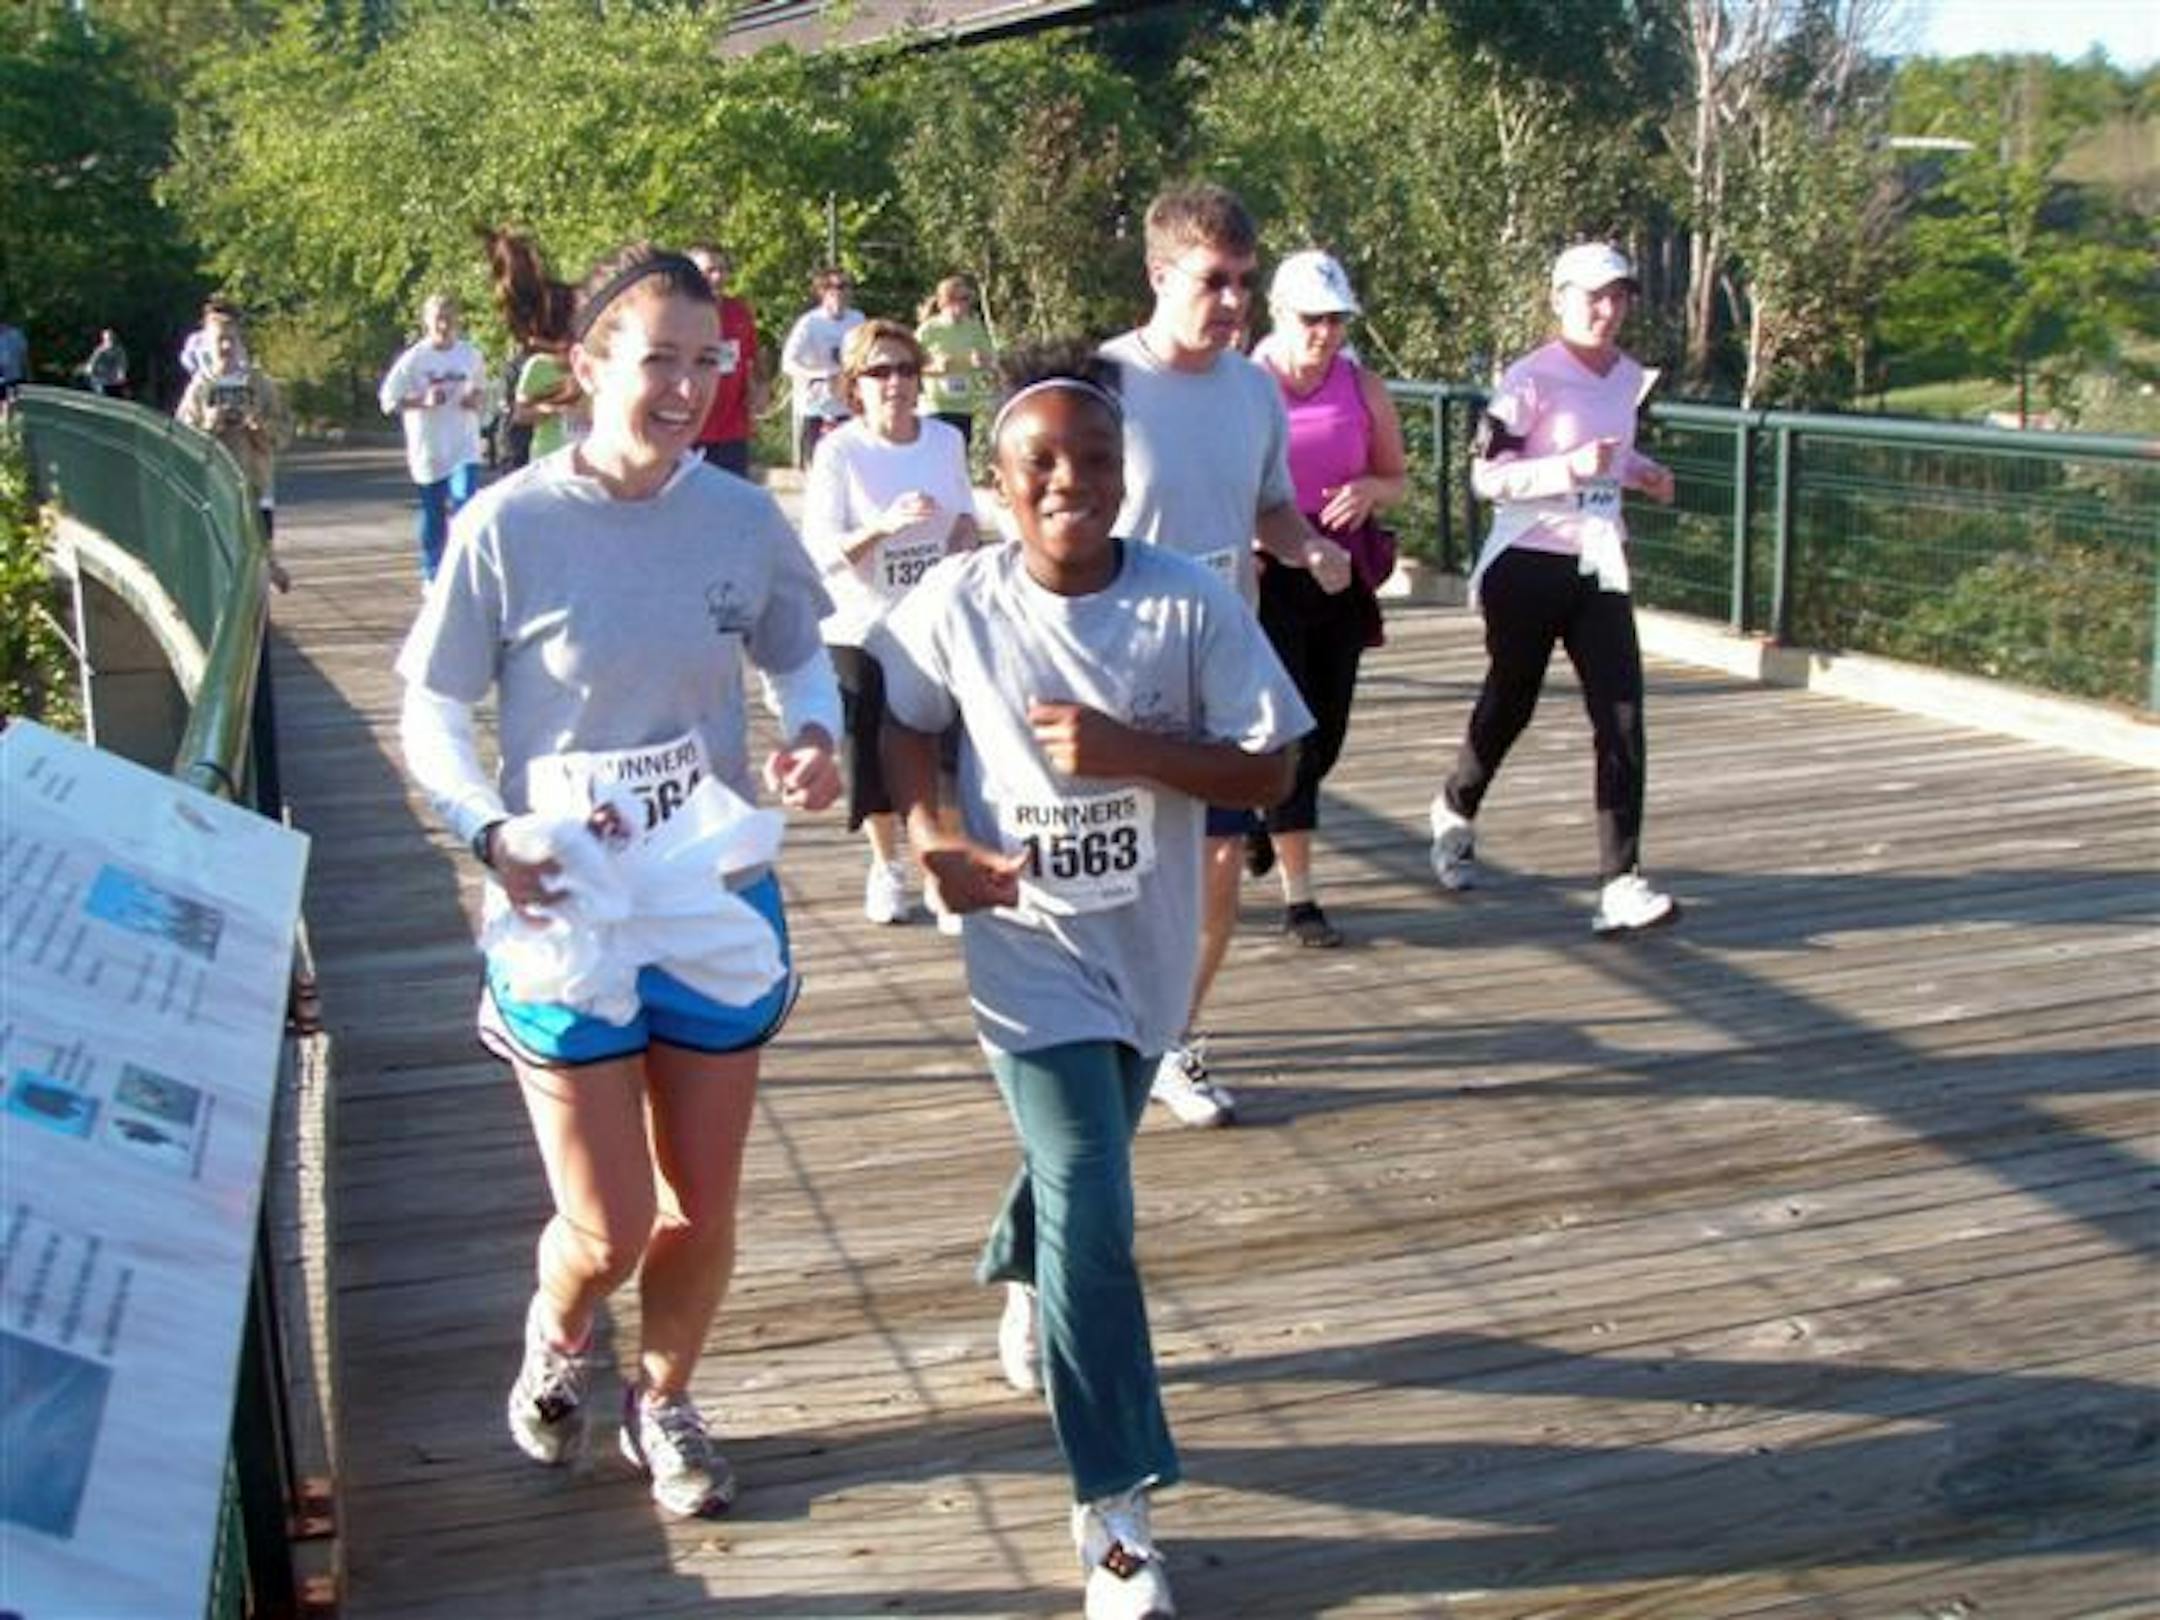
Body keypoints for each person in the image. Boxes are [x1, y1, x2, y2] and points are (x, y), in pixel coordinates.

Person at [394, 243, 844, 1523]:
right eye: (660, 360)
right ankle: (560, 1330)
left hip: (707, 892)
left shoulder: (744, 518)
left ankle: (667, 1400)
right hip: (563, 900)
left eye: (709, 363)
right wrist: (489, 831)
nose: (689, 388)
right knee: (608, 1223)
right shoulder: (509, 524)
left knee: (701, 1202)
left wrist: (815, 741)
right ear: (585, 365)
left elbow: (802, 666)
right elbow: (431, 709)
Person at [873, 342, 1312, 1620]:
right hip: (1025, 950)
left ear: (1128, 475)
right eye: (1041, 466)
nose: (1072, 483)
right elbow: (901, 716)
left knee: (1084, 1169)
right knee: (1095, 1206)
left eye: (1097, 460)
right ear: (1000, 487)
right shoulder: (958, 602)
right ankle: (1115, 1515)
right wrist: (934, 839)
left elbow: (1271, 769)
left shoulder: (1187, 603)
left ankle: (1023, 1268)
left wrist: (1138, 751)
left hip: (1149, 949)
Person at [1101, 181, 1351, 1129]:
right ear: (1162, 275)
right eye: (1216, 281)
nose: (1236, 302)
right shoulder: (1104, 384)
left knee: (1212, 872)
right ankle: (1100, 1030)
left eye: (1245, 281)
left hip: (1218, 672)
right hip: (1114, 674)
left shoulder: (1253, 388)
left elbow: (1268, 504)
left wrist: (1308, 546)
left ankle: (1174, 1039)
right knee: (1118, 874)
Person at [1430, 241, 1680, 935]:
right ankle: (1456, 807)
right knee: (1513, 699)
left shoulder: (1629, 376)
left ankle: (1620, 882)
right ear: (1560, 299)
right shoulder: (1529, 378)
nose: (1607, 310)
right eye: (1593, 296)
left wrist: (1642, 473)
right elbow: (1487, 477)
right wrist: (1566, 467)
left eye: (1619, 296)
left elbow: (1613, 452)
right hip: (1528, 558)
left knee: (1622, 715)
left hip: (1599, 558)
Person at [1246, 251, 1407, 947]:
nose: (1325, 334)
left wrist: (1371, 491)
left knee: (1329, 729)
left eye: (1337, 320)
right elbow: (1225, 484)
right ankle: (1301, 900)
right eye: (1312, 320)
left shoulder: (1362, 385)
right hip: (1268, 569)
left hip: (1343, 569)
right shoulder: (1246, 387)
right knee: (1294, 735)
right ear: (1279, 316)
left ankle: (1261, 815)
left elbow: (1394, 475)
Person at [800, 319, 977, 925]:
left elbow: (965, 518)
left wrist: (961, 543)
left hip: (933, 618)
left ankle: (941, 870)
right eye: (879, 372)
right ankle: (886, 865)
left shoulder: (945, 442)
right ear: (855, 385)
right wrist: (884, 526)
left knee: (944, 748)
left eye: (906, 369)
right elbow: (820, 554)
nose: (895, 383)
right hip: (860, 625)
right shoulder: (839, 452)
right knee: (872, 751)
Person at [175, 310, 293, 591]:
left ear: (241, 342)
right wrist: (208, 424)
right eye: (220, 340)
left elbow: (284, 432)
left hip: (255, 485)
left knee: (256, 567)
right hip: (214, 489)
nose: (226, 347)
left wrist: (258, 424)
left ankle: (269, 573)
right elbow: (181, 440)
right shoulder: (200, 387)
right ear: (207, 344)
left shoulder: (259, 384)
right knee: (223, 566)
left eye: (232, 340)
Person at [377, 293, 487, 582]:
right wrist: (422, 401)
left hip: (464, 445)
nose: (444, 324)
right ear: (426, 321)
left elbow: (482, 389)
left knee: (466, 503)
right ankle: (432, 572)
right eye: (438, 318)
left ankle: (465, 569)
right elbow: (388, 400)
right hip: (430, 448)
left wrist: (474, 399)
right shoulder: (414, 359)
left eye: (449, 317)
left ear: (457, 319)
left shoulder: (470, 354)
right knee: (434, 513)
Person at [485, 229, 585, 463]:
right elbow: (521, 414)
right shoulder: (529, 363)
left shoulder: (570, 298)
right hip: (526, 448)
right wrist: (554, 408)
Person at [688, 245, 765, 477]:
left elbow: (754, 357)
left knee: (731, 505)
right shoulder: (678, 316)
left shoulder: (738, 312)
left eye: (722, 270)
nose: (718, 277)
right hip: (688, 431)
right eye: (710, 270)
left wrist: (761, 388)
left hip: (732, 432)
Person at [779, 266, 863, 468]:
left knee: (849, 464)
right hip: (815, 406)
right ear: (821, 292)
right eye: (831, 287)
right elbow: (788, 363)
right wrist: (818, 374)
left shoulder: (857, 319)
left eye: (844, 286)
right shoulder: (809, 323)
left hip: (847, 405)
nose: (839, 292)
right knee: (816, 465)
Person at [915, 275, 997, 448]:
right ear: (945, 301)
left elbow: (991, 360)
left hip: (964, 406)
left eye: (967, 299)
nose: (965, 304)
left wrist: (982, 361)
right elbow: (910, 365)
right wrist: (935, 368)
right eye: (959, 298)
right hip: (935, 406)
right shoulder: (929, 330)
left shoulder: (974, 327)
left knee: (957, 456)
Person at [83, 329, 129, 397]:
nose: (109, 341)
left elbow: (121, 364)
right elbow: (92, 362)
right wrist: (89, 368)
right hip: (98, 377)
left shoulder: (119, 351)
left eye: (110, 338)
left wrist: (121, 374)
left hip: (111, 379)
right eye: (106, 339)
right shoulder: (100, 350)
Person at [0, 318, 29, 401]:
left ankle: (8, 410)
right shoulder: (17, 335)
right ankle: (7, 410)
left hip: (10, 372)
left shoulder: (16, 335)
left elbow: (23, 353)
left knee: (8, 396)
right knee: (8, 397)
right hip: (11, 373)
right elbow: (23, 353)